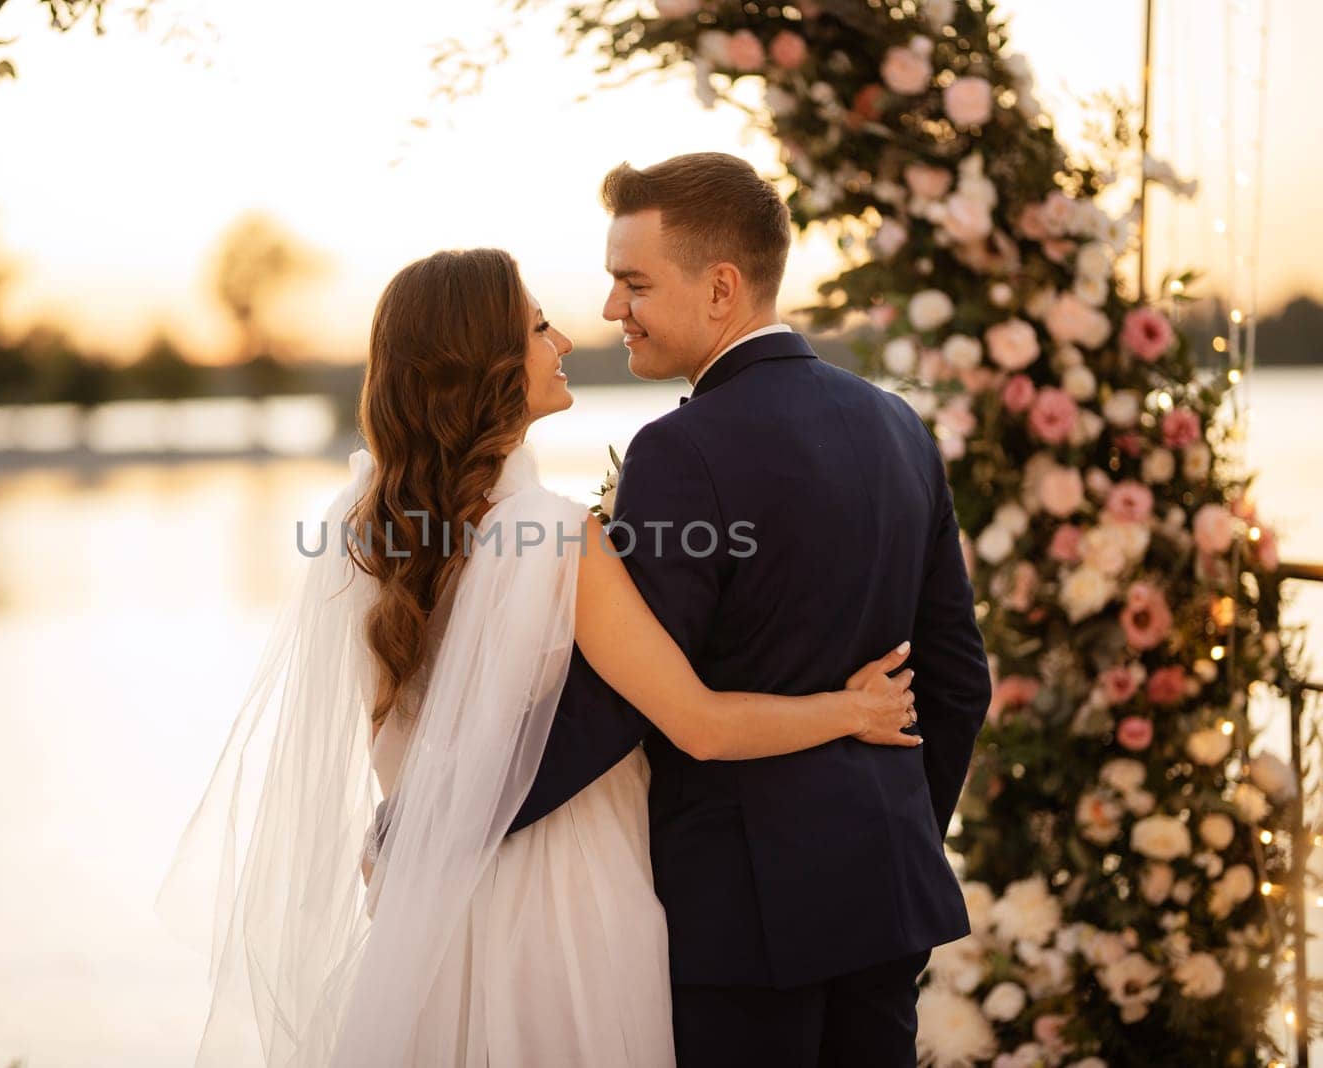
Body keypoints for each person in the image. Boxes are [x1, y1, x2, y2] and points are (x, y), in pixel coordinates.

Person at [157, 243, 929, 1067]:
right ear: (486, 363)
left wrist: (408, 836)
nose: (562, 341)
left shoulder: (361, 532)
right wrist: (854, 709)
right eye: (537, 326)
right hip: (569, 903)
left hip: (433, 909)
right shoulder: (559, 536)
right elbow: (697, 724)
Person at [507, 152, 993, 1067]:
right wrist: (895, 832)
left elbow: (627, 697)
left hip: (740, 918)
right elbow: (958, 682)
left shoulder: (681, 450)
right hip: (888, 898)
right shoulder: (900, 427)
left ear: (722, 288)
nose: (612, 309)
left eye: (633, 282)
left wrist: (454, 819)